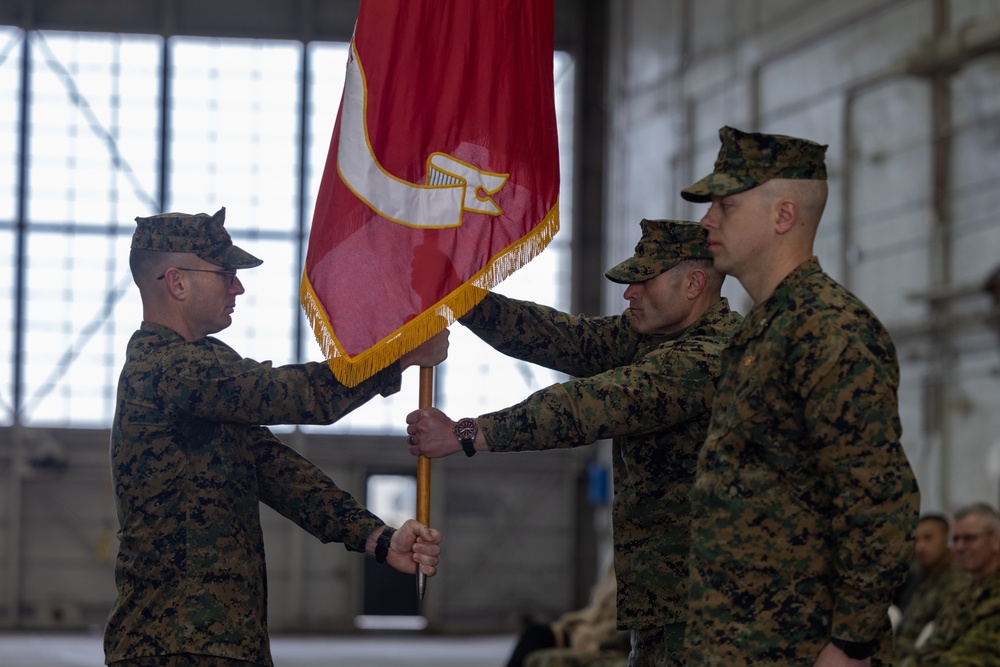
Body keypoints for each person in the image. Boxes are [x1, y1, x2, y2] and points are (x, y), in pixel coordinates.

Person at [105, 207, 446, 667]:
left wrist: (378, 538)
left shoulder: (205, 367)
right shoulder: (167, 367)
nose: (238, 287)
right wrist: (397, 355)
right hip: (173, 644)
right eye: (225, 274)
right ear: (177, 282)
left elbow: (280, 472)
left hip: (216, 641)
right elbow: (294, 395)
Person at [406, 218, 742, 666]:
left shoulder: (713, 354)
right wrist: (461, 300)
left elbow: (592, 405)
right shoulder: (653, 338)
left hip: (711, 601)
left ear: (695, 284)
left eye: (643, 281)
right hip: (664, 596)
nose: (629, 293)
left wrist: (464, 433)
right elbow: (560, 336)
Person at [680, 126, 920, 666]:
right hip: (740, 642)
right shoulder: (762, 328)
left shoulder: (828, 329)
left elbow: (878, 497)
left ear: (783, 217)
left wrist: (852, 644)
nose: (707, 222)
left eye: (726, 206)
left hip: (801, 647)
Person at [903, 501, 1000, 666]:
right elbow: (931, 648)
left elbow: (971, 658)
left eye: (969, 538)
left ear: (996, 541)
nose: (959, 547)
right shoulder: (962, 595)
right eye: (955, 540)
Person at [505, 564, 630, 667]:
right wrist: (576, 623)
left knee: (536, 638)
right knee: (535, 632)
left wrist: (589, 634)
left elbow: (619, 628)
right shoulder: (616, 565)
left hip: (596, 637)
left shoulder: (636, 580)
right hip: (585, 630)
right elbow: (594, 611)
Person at [894, 514, 970, 664]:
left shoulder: (958, 582)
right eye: (915, 540)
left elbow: (942, 641)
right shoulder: (922, 577)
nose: (920, 547)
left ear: (947, 538)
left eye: (928, 538)